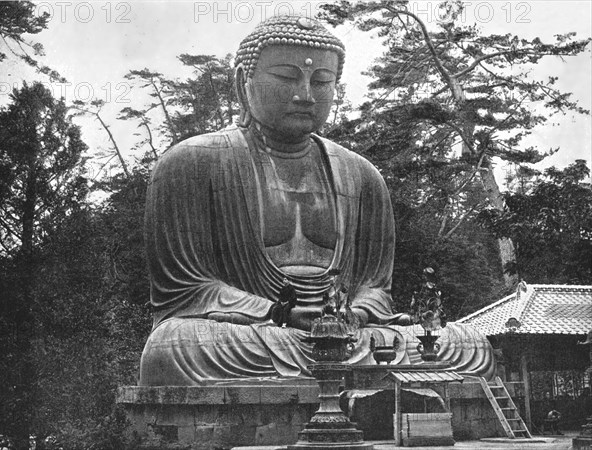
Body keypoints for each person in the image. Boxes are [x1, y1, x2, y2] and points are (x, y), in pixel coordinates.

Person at [139, 15, 495, 385]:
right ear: (242, 82)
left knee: (471, 345)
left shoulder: (362, 175)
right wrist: (278, 313)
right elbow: (186, 291)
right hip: (258, 333)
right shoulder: (192, 162)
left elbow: (375, 288)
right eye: (286, 77)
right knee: (174, 345)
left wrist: (355, 315)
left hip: (348, 335)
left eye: (321, 81)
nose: (305, 94)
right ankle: (360, 373)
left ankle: (347, 366)